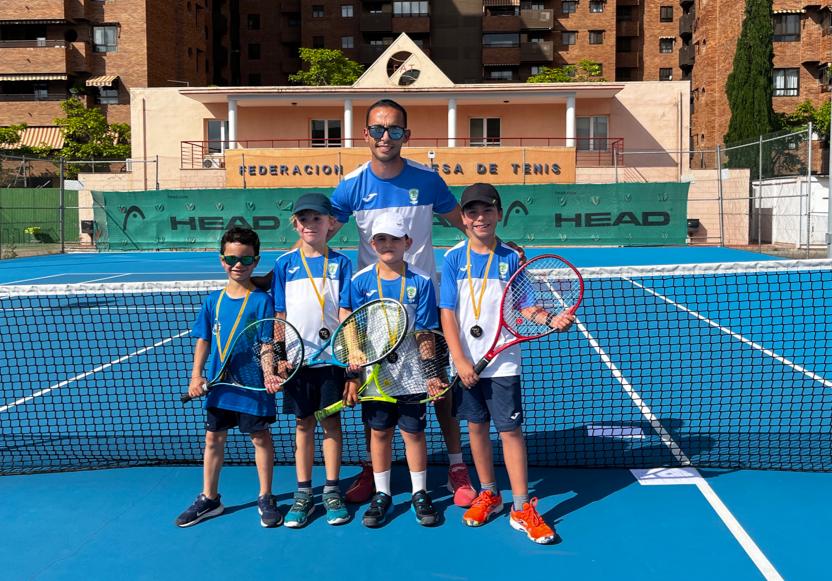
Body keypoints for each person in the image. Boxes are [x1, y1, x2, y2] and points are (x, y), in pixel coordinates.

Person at [329, 98, 476, 507]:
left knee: (438, 385)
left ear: (406, 136)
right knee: (374, 393)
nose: (385, 137)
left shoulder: (428, 180)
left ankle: (455, 462)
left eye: (394, 130)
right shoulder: (352, 185)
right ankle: (372, 469)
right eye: (378, 129)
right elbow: (320, 237)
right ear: (366, 134)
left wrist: (497, 245)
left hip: (424, 306)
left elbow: (462, 222)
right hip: (373, 311)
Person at [439, 183, 574, 544]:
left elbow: (526, 305)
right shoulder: (453, 259)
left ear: (498, 214)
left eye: (486, 211)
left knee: (510, 432)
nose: (479, 217)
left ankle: (520, 506)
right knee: (476, 428)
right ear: (464, 219)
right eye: (472, 212)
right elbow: (447, 313)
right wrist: (460, 359)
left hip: (503, 363)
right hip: (466, 363)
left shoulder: (512, 259)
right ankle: (489, 494)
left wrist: (549, 319)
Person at [176, 227, 282, 528]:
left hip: (253, 386)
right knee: (213, 438)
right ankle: (210, 499)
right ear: (222, 260)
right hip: (219, 387)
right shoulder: (213, 301)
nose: (238, 265)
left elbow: (266, 344)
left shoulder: (262, 301)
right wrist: (196, 376)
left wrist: (269, 373)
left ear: (256, 260)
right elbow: (204, 340)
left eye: (246, 260)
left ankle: (265, 496)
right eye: (231, 258)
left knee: (259, 437)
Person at [347, 213, 441, 527]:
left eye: (394, 239)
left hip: (412, 373)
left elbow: (426, 331)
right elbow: (351, 323)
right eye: (381, 239)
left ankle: (419, 492)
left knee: (413, 433)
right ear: (372, 243)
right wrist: (355, 353)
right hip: (375, 376)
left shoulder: (421, 281)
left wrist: (431, 373)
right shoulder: (360, 280)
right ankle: (383, 493)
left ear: (407, 243)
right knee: (379, 432)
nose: (387, 245)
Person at [270, 193, 354, 527]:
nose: (310, 225)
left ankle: (332, 489)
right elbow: (280, 314)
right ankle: (304, 492)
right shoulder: (284, 265)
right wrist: (279, 355)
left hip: (332, 361)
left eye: (317, 219)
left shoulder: (342, 264)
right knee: (303, 425)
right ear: (296, 224)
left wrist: (351, 360)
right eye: (304, 219)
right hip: (297, 363)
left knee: (331, 424)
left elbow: (345, 313)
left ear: (330, 223)